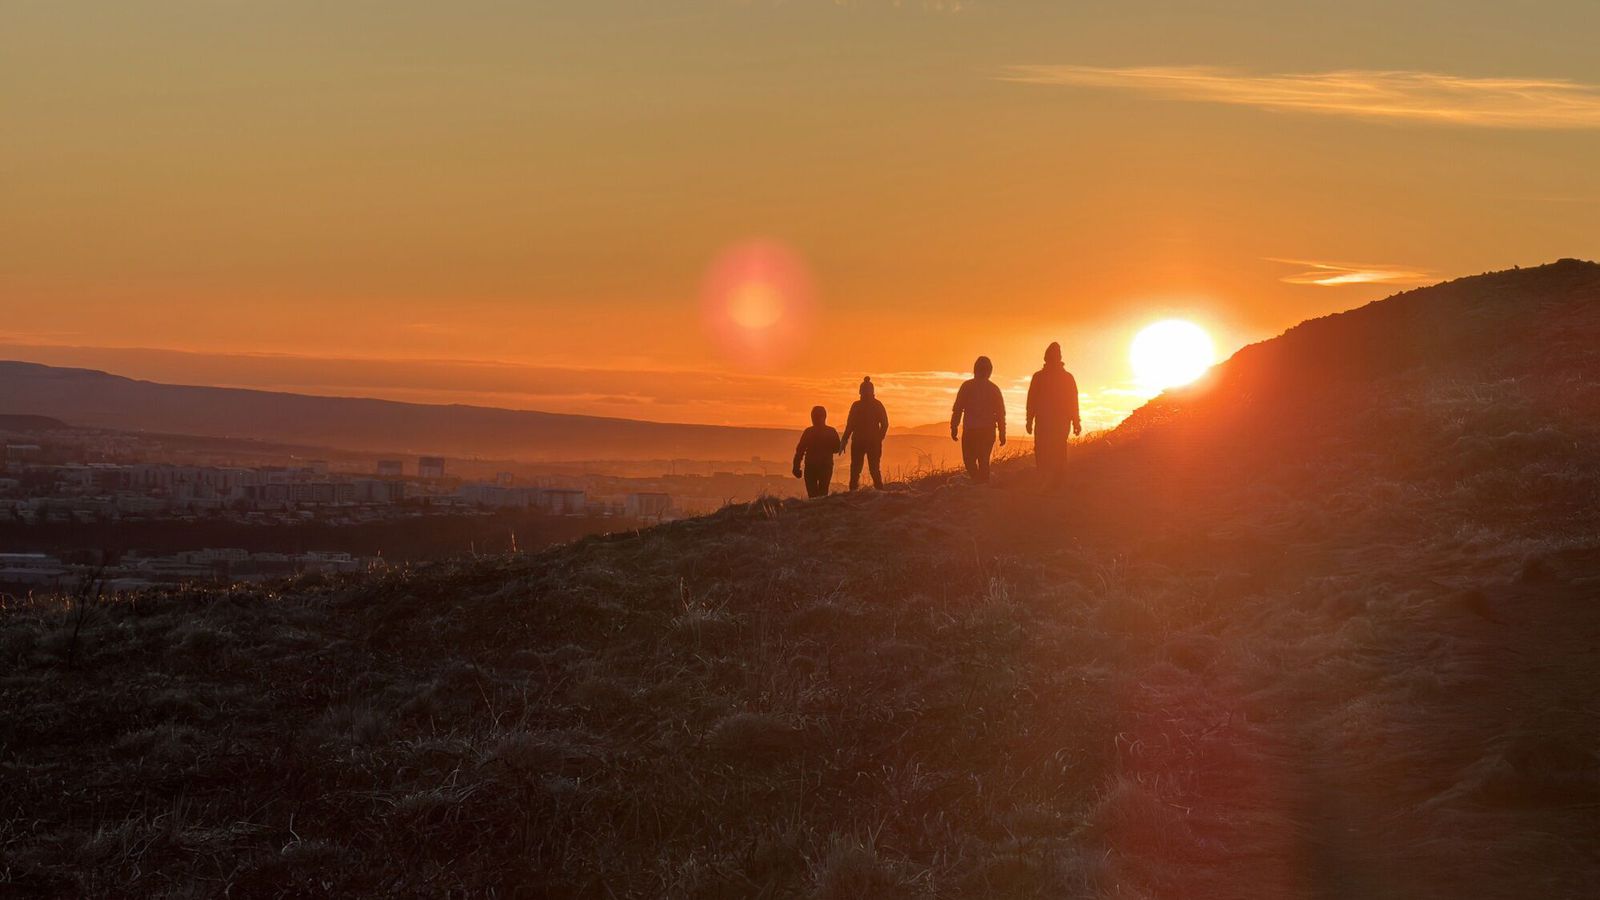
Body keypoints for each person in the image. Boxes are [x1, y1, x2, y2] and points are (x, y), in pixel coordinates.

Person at [1025, 342, 1081, 481]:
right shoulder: (1065, 377)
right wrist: (1076, 421)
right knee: (1054, 449)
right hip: (1052, 421)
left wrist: (1076, 421)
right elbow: (1032, 400)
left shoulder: (1043, 377)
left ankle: (1051, 478)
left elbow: (1072, 401)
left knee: (1049, 449)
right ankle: (1052, 479)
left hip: (1050, 421)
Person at [950, 355, 1006, 483]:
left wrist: (954, 426)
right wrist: (1002, 433)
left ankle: (979, 483)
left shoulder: (968, 386)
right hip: (983, 431)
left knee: (971, 460)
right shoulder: (993, 388)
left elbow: (958, 409)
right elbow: (1001, 414)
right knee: (982, 460)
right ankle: (981, 483)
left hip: (973, 431)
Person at [839, 376, 889, 491]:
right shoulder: (877, 405)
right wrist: (879, 438)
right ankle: (879, 491)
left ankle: (854, 492)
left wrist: (844, 440)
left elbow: (850, 425)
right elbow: (885, 424)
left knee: (857, 469)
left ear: (860, 391)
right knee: (872, 469)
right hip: (868, 442)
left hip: (859, 442)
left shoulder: (857, 405)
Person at [792, 406, 840, 499]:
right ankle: (820, 512)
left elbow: (800, 451)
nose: (815, 419)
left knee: (814, 495)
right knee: (822, 494)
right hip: (824, 466)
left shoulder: (809, 432)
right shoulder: (831, 431)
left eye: (816, 417)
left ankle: (816, 512)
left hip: (813, 466)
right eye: (814, 417)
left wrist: (796, 467)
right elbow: (837, 449)